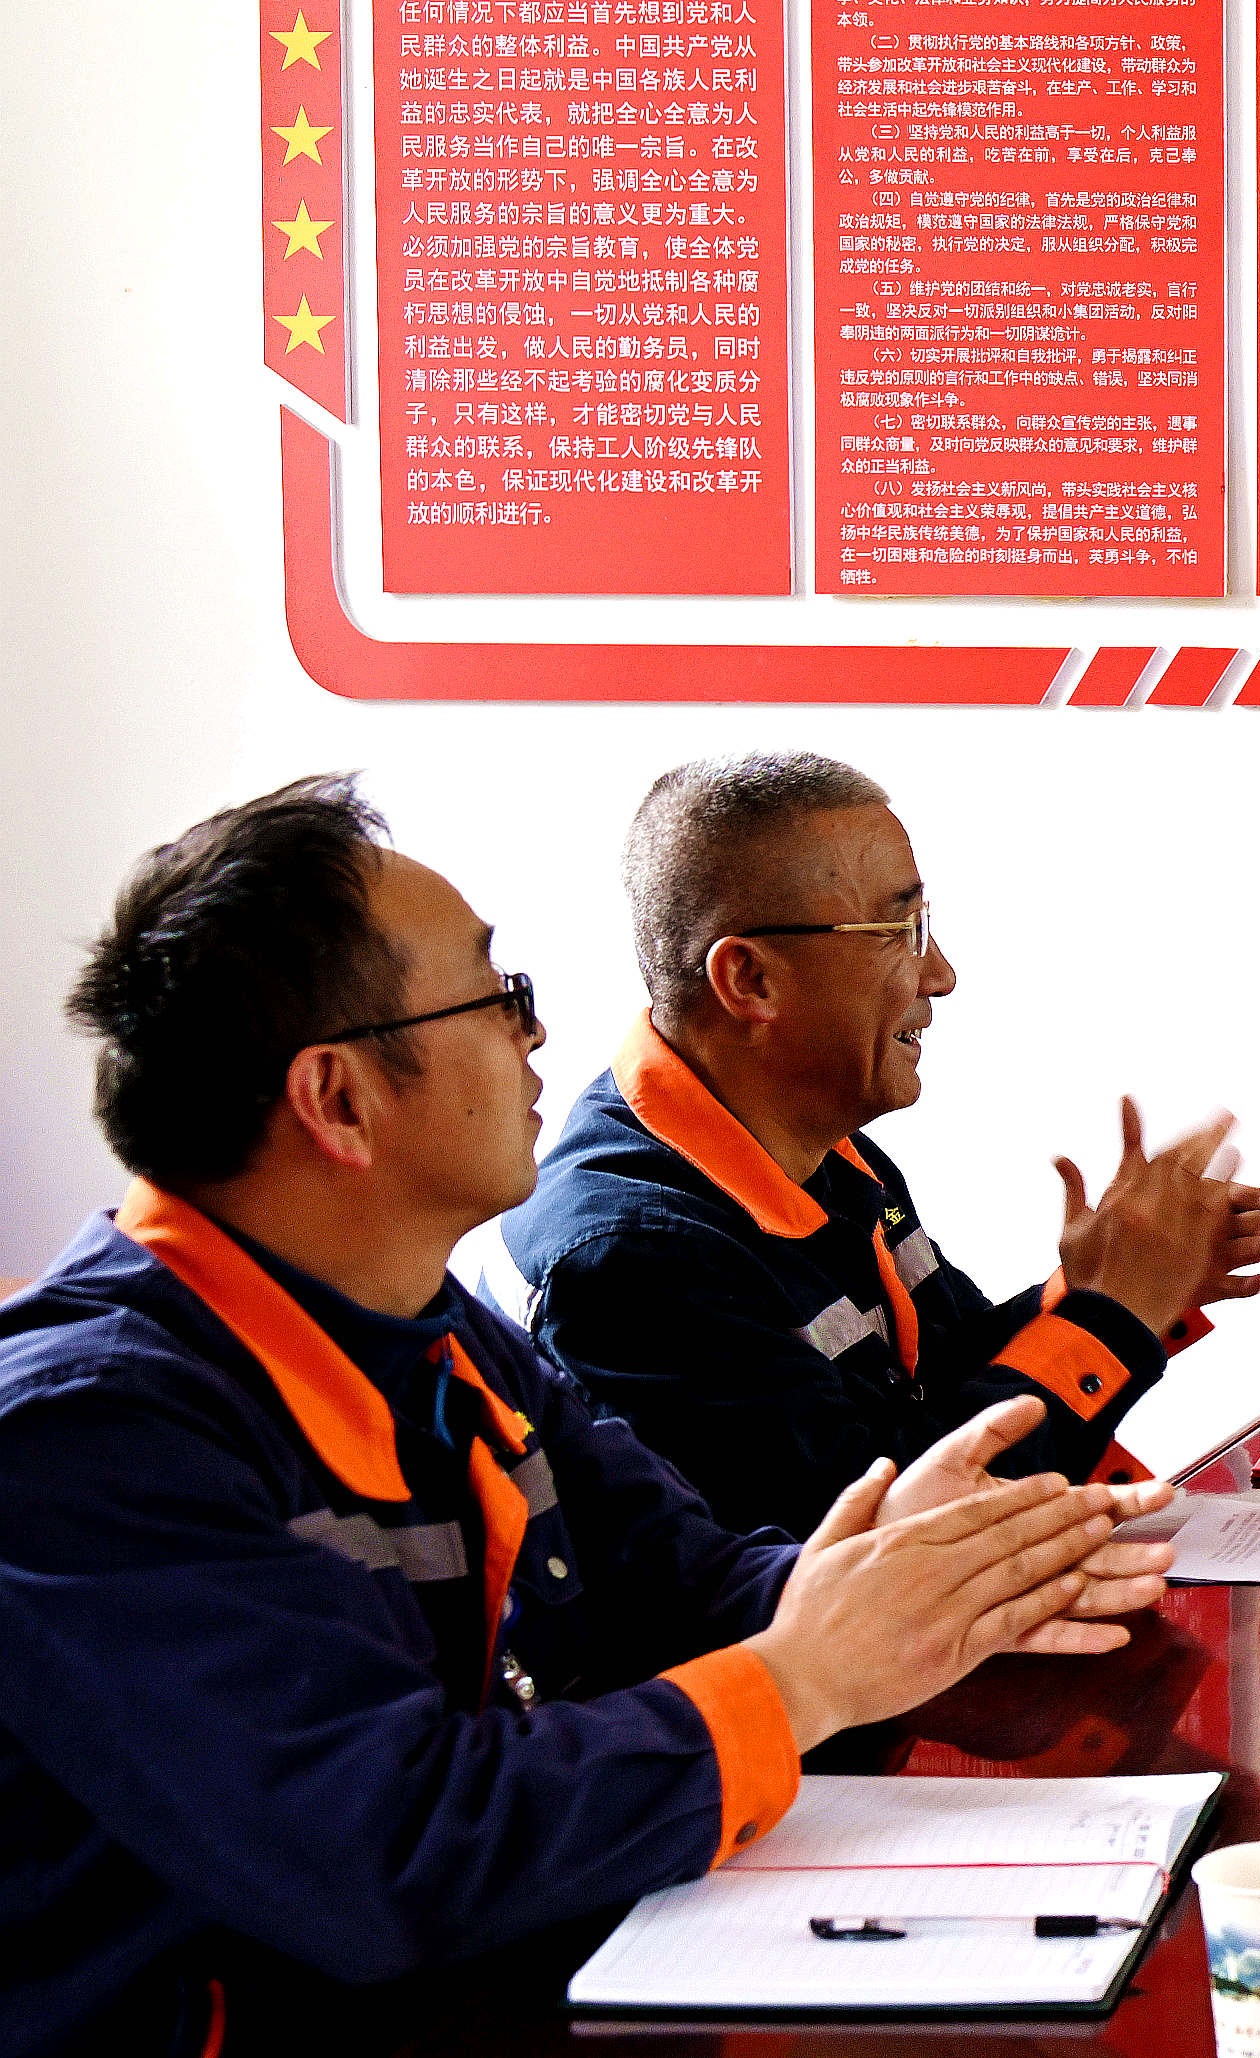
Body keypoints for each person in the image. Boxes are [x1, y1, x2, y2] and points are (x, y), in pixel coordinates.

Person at [0, 777, 1170, 2055]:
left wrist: (902, 1566)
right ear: (338, 1098)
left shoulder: (427, 1324)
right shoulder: (83, 1436)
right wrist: (800, 1675)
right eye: (495, 998)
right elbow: (394, 1850)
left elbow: (690, 1580)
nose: (539, 1036)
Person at [508, 754, 1260, 1537]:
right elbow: (888, 1540)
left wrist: (1108, 1281)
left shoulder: (831, 1155)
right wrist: (1113, 1312)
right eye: (901, 931)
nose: (941, 974)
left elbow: (946, 1384)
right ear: (749, 979)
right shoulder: (634, 1262)